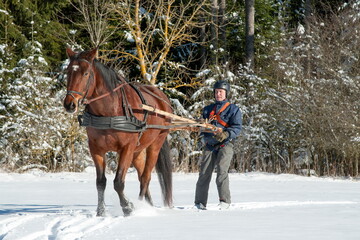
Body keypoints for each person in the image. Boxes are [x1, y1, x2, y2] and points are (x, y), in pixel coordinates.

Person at [194, 80, 242, 210]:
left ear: (226, 93)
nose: (218, 94)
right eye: (216, 92)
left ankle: (224, 201)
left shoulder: (233, 110)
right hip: (209, 145)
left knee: (221, 172)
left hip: (225, 145)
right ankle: (199, 203)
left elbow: (237, 128)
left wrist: (226, 134)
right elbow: (202, 127)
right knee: (204, 173)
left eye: (221, 91)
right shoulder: (208, 109)